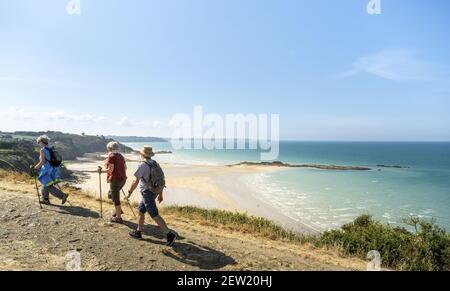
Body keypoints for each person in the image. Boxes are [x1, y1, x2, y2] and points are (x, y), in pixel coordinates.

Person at [126, 146, 177, 246]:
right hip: (154, 191)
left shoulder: (142, 165)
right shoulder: (155, 163)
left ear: (142, 154)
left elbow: (135, 181)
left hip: (147, 192)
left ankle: (169, 234)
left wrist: (129, 193)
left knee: (154, 214)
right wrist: (160, 194)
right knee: (141, 211)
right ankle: (138, 232)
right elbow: (161, 180)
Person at [31, 135, 68, 205]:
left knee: (48, 186)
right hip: (54, 170)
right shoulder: (51, 149)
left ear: (41, 142)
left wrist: (35, 168)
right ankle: (45, 200)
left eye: (38, 142)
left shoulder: (42, 150)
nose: (38, 144)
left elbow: (42, 162)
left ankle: (62, 195)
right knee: (45, 185)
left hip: (46, 171)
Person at [104, 141, 127, 223]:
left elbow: (110, 170)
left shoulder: (111, 156)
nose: (107, 150)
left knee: (116, 198)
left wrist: (101, 170)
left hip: (115, 179)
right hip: (123, 179)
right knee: (111, 195)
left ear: (110, 148)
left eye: (108, 149)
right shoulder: (121, 156)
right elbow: (125, 168)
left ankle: (118, 217)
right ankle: (119, 210)